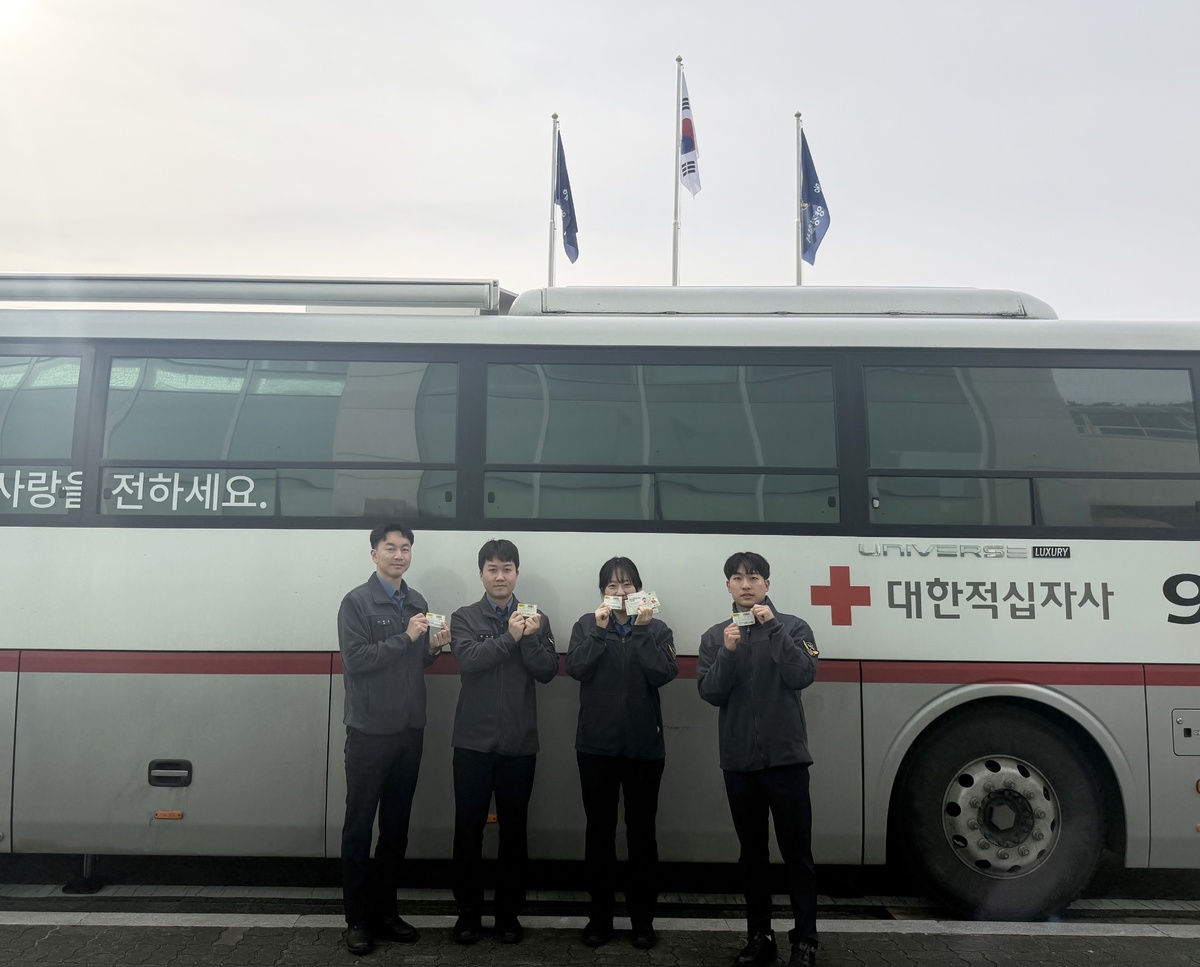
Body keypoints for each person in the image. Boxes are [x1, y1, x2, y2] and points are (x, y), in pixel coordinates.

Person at [697, 551, 821, 967]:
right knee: (752, 856)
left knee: (798, 855)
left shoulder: (794, 627)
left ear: (767, 584)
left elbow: (801, 674)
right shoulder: (716, 636)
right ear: (728, 586)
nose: (745, 584)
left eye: (753, 577)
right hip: (739, 764)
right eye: (737, 578)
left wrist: (774, 630)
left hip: (787, 762)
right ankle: (759, 936)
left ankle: (805, 940)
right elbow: (711, 693)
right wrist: (728, 652)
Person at [336, 522, 452, 956]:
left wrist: (433, 648)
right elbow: (357, 660)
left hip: (409, 729)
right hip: (369, 731)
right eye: (390, 548)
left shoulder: (417, 601)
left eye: (405, 548)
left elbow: (415, 660)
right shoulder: (356, 602)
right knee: (358, 827)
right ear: (374, 554)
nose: (399, 555)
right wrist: (407, 637)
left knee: (396, 829)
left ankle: (386, 912)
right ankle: (357, 920)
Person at [449, 538, 558, 945]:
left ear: (516, 573)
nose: (500, 576)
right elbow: (469, 659)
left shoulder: (536, 618)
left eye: (507, 569)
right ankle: (468, 914)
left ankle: (508, 915)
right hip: (472, 743)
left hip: (519, 744)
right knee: (468, 831)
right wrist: (509, 637)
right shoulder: (464, 617)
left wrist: (528, 636)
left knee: (514, 833)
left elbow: (547, 670)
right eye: (492, 569)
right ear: (481, 574)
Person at [566, 556, 678, 950]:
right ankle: (599, 919)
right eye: (612, 585)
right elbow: (576, 669)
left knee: (642, 834)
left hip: (644, 747)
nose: (620, 591)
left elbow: (663, 674)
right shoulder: (587, 624)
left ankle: (643, 921)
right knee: (599, 834)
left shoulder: (658, 628)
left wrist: (643, 632)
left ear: (638, 590)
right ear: (602, 592)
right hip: (595, 746)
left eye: (627, 584)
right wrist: (599, 632)